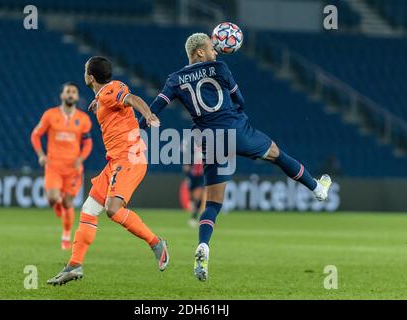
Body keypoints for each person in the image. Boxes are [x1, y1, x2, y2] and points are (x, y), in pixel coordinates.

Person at [139, 33, 332, 282]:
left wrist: (138, 129)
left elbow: (155, 107)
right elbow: (239, 99)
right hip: (236, 129)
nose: (216, 51)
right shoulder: (220, 68)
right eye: (211, 47)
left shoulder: (175, 79)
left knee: (213, 205)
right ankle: (317, 188)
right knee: (277, 154)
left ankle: (203, 246)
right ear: (199, 52)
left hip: (210, 140)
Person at [47, 56, 169, 286]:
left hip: (129, 158)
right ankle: (74, 265)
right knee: (89, 209)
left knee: (113, 209)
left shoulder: (111, 92)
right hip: (115, 160)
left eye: (85, 71)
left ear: (90, 77)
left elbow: (132, 99)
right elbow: (116, 100)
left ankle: (156, 244)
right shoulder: (106, 93)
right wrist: (98, 102)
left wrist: (148, 115)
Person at [31, 82, 92, 250]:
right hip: (54, 165)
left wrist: (81, 158)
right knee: (51, 198)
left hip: (73, 168)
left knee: (67, 203)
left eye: (74, 92)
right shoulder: (50, 115)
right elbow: (35, 135)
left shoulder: (83, 119)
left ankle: (66, 235)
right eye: (68, 91)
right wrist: (41, 156)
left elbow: (88, 143)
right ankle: (56, 206)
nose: (71, 94)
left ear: (77, 97)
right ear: (62, 96)